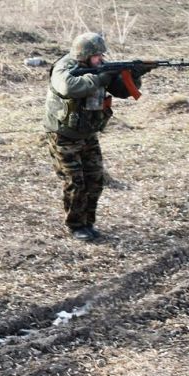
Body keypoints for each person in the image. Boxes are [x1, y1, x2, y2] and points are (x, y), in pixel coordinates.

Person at [43, 32, 150, 241]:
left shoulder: (97, 66)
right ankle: (75, 225)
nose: (101, 59)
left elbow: (122, 91)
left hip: (88, 133)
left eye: (102, 55)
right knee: (76, 181)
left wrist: (136, 75)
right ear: (84, 55)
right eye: (97, 55)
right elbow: (68, 87)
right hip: (63, 135)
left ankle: (88, 223)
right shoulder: (64, 67)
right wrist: (100, 77)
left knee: (95, 179)